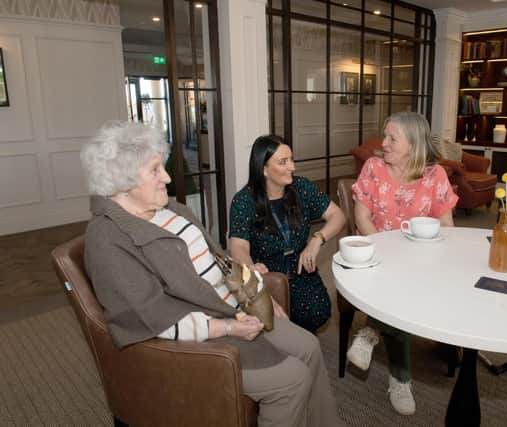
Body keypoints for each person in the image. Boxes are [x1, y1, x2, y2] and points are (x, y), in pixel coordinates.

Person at [80, 121, 340, 427]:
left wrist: (254, 289)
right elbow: (147, 319)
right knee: (291, 380)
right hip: (203, 336)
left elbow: (218, 263)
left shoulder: (173, 211)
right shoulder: (108, 239)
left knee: (309, 346)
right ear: (121, 180)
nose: (167, 177)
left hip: (234, 307)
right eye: (154, 170)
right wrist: (229, 327)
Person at [347, 112, 458, 416]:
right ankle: (400, 379)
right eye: (384, 136)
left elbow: (447, 225)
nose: (383, 143)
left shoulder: (435, 176)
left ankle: (370, 334)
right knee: (402, 296)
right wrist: (388, 253)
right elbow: (362, 218)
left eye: (392, 138)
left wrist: (440, 255)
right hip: (375, 253)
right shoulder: (373, 168)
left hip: (420, 258)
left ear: (413, 145)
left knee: (414, 286)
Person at [229, 135, 346, 334]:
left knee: (318, 311)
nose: (292, 167)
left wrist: (316, 240)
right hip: (269, 273)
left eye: (291, 159)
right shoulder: (244, 201)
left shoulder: (301, 188)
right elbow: (238, 246)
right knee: (278, 320)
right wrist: (252, 272)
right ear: (263, 169)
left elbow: (338, 216)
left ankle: (302, 345)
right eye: (283, 162)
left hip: (300, 266)